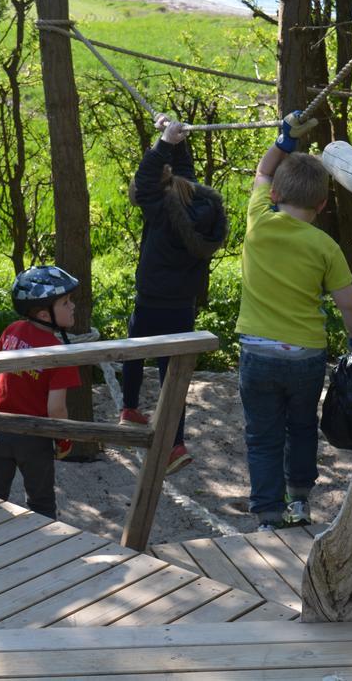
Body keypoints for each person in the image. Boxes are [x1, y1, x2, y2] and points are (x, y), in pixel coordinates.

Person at [235, 111, 352, 532]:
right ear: (322, 205)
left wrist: (285, 140)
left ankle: (267, 515)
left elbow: (261, 170)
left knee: (262, 435)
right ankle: (300, 503)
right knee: (301, 426)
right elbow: (349, 304)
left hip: (257, 351)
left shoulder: (258, 219)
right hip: (305, 354)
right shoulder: (324, 246)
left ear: (275, 194)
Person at [120, 113, 228, 475]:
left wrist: (163, 144)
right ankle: (175, 443)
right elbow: (182, 175)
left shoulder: (160, 209)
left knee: (134, 349)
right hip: (182, 303)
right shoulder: (205, 206)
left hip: (151, 297)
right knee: (173, 375)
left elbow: (146, 180)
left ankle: (129, 407)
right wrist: (175, 144)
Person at [0, 265, 82, 519]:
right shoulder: (60, 355)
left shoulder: (12, 330)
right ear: (45, 314)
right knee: (41, 504)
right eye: (66, 302)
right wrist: (64, 439)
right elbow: (56, 409)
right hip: (34, 437)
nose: (73, 306)